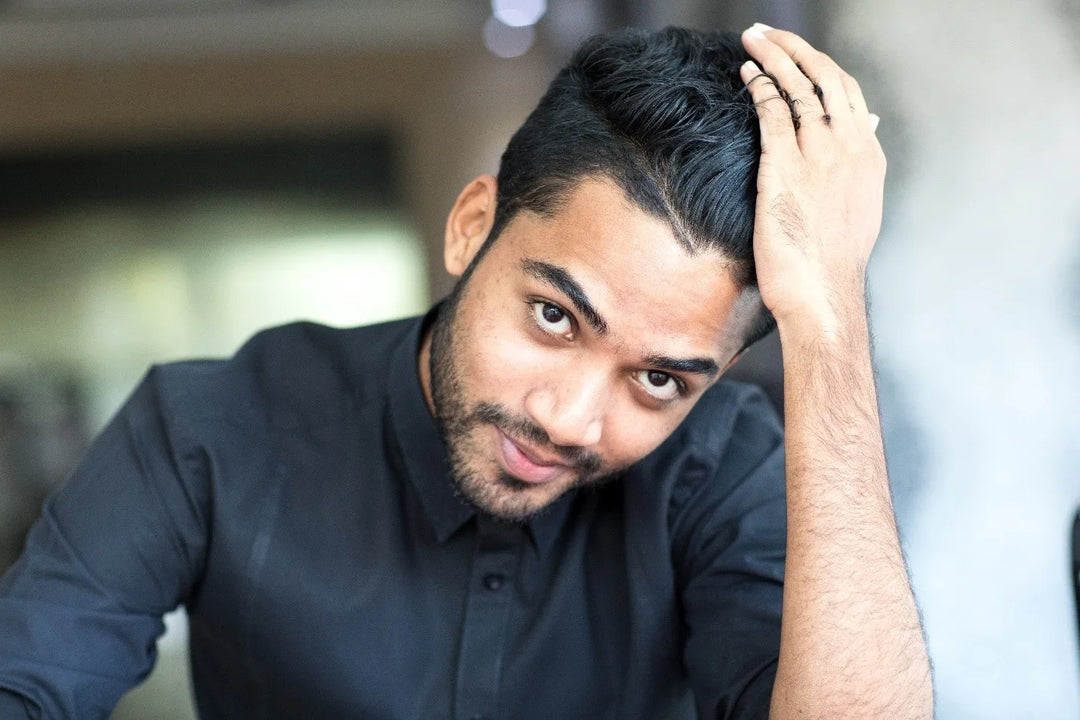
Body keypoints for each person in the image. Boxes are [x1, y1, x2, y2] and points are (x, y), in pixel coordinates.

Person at [0, 24, 932, 720]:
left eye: (659, 380)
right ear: (470, 227)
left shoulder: (723, 471)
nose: (568, 419)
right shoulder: (208, 430)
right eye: (555, 316)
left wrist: (831, 327)